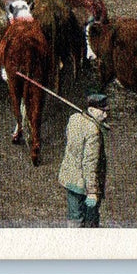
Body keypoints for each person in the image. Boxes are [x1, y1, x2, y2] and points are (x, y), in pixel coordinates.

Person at [58, 93, 109, 228]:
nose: (105, 115)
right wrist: (92, 192)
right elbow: (90, 164)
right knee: (90, 221)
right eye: (102, 111)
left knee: (74, 217)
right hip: (85, 186)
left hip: (70, 180)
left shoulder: (74, 119)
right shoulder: (93, 131)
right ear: (91, 110)